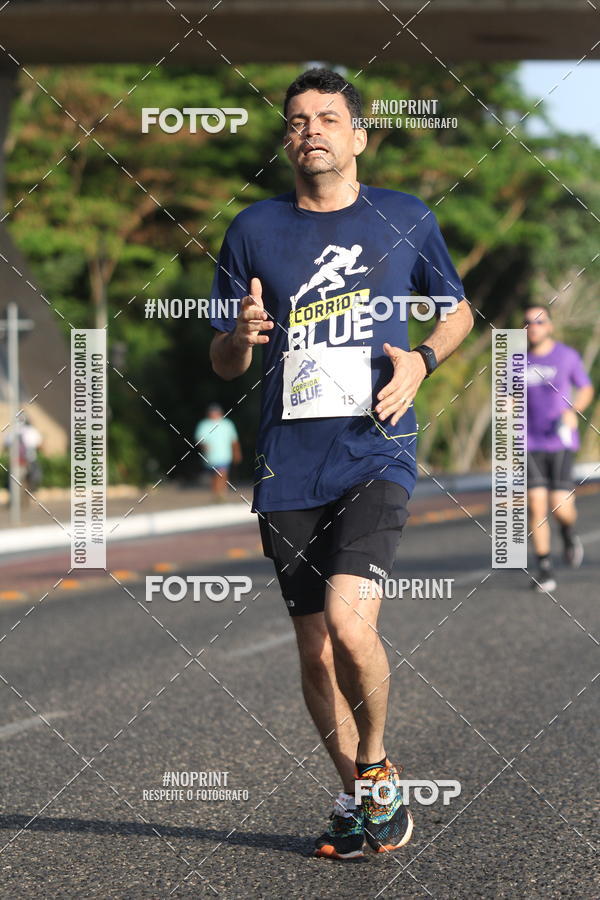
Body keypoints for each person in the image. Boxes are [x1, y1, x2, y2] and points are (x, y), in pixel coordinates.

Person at [209, 68, 473, 860]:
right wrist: (239, 336)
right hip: (289, 460)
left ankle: (375, 766)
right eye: (296, 121)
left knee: (351, 624)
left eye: (328, 117)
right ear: (287, 139)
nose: (310, 130)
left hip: (375, 447)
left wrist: (422, 361)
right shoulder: (253, 230)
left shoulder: (404, 218)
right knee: (314, 646)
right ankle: (362, 801)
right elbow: (222, 361)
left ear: (359, 135)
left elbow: (457, 310)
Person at [525, 304, 593, 592]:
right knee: (535, 504)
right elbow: (506, 395)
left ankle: (567, 531)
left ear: (550, 326)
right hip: (528, 441)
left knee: (560, 506)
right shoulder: (516, 360)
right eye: (528, 323)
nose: (534, 327)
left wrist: (573, 410)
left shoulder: (567, 356)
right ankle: (544, 568)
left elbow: (586, 388)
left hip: (560, 441)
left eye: (540, 322)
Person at [194, 403, 242, 500]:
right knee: (215, 476)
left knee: (222, 473)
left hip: (224, 455)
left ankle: (222, 493)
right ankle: (216, 493)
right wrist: (204, 446)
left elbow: (234, 440)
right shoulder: (204, 424)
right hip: (210, 457)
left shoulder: (227, 424)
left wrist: (237, 453)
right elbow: (199, 439)